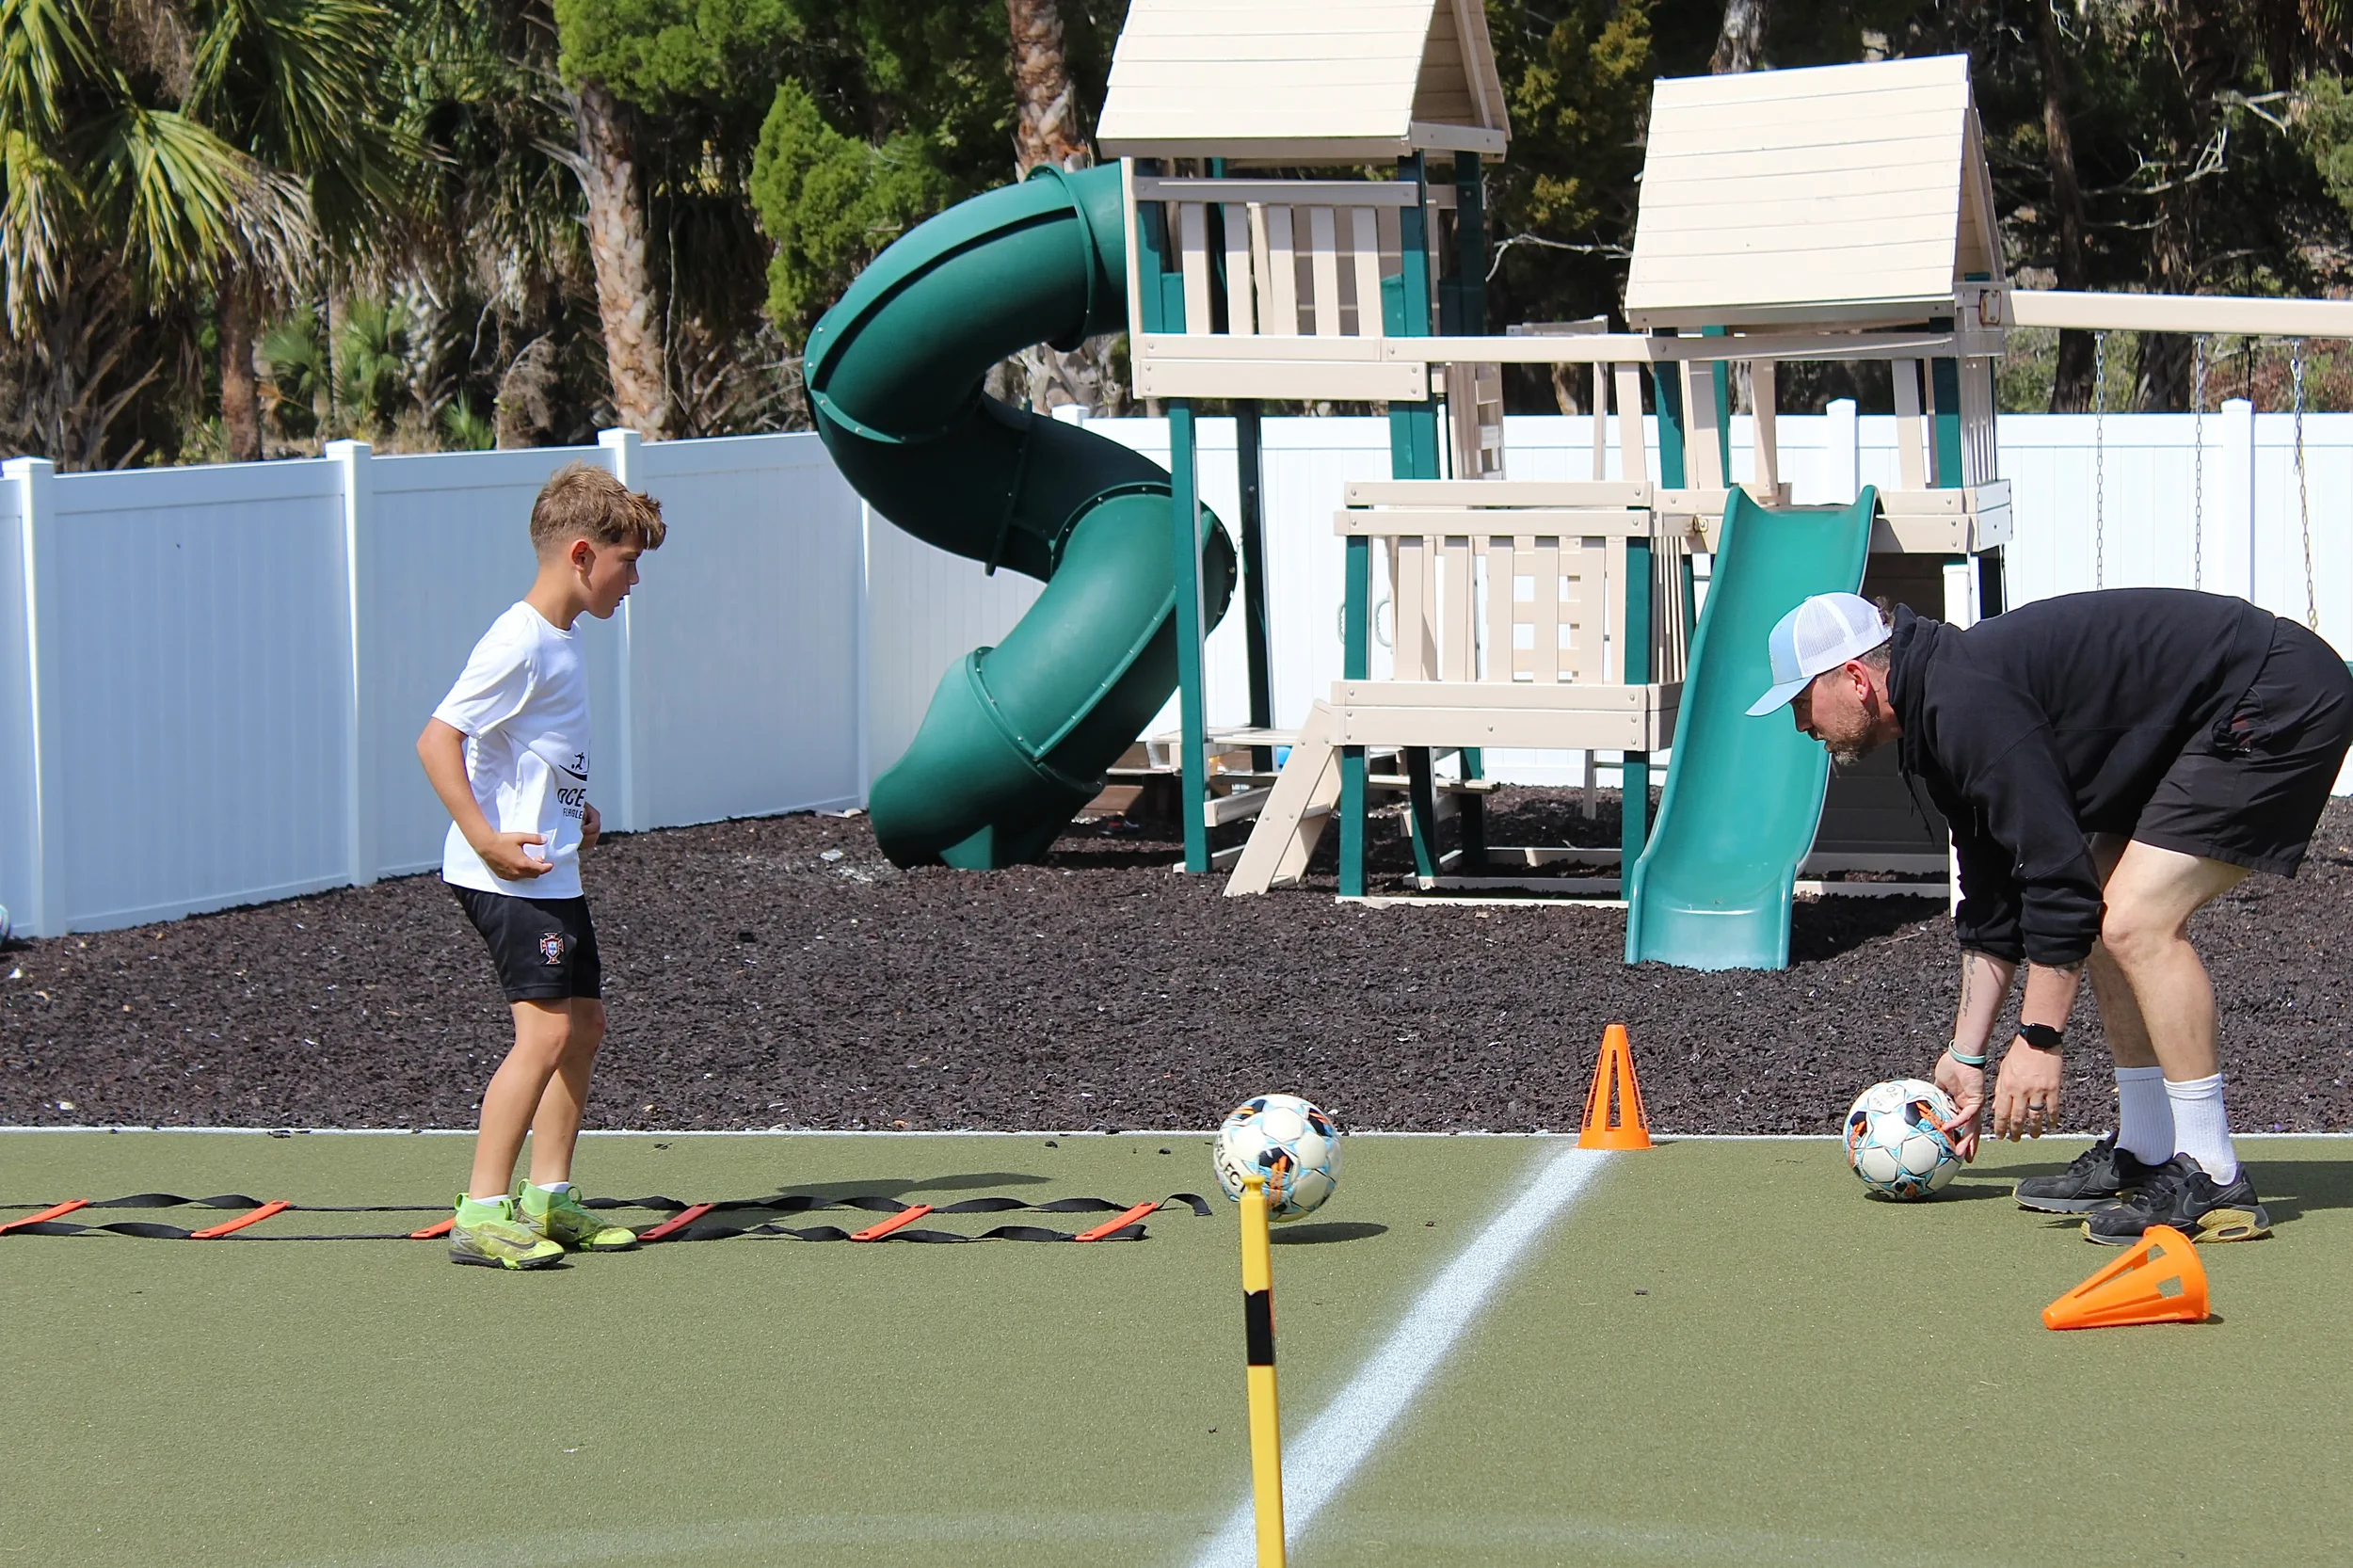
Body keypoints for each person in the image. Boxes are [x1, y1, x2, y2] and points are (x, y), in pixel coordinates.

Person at [1751, 588, 2353, 1244]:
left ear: (1856, 680)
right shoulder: (1936, 713)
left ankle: (2212, 1173)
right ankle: (2150, 1146)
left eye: (1800, 702)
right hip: (2204, 712)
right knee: (2102, 907)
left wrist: (2039, 1040)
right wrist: (1967, 1053)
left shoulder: (1964, 702)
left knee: (2132, 920)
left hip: (2273, 691)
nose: (1800, 725)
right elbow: (1992, 893)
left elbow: (2055, 878)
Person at [416, 462, 666, 1269]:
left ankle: (548, 1199)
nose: (633, 582)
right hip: (505, 875)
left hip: (552, 867)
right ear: (584, 554)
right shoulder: (519, 639)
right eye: (628, 562)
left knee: (584, 1027)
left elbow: (526, 751)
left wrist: (569, 812)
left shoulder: (561, 640)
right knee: (547, 1030)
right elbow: (437, 740)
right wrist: (488, 837)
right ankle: (482, 1213)